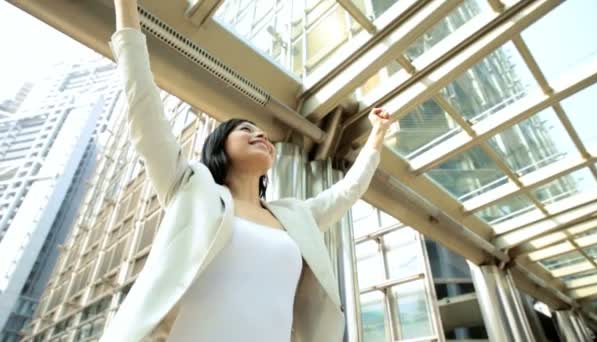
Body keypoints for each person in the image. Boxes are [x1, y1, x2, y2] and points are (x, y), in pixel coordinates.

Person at [101, 0, 391, 341]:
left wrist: (378, 135)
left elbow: (348, 190)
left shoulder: (296, 218)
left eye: (263, 133)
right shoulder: (190, 187)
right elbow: (144, 108)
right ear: (220, 146)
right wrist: (126, 8)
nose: (260, 135)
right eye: (245, 130)